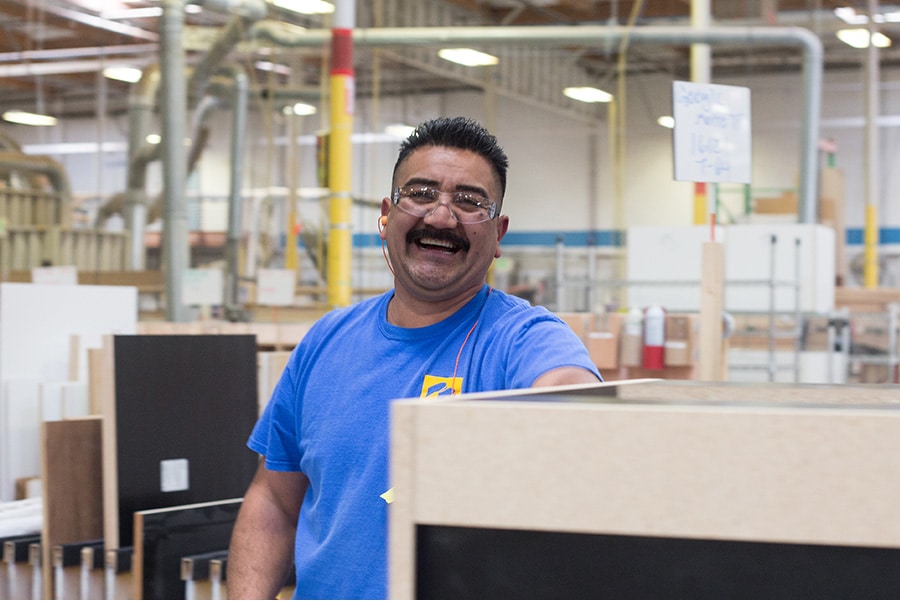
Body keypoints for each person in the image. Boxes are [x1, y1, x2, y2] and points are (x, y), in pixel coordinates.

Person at [227, 116, 602, 600]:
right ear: (386, 215)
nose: (442, 217)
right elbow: (275, 500)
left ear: (499, 233)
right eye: (421, 193)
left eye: (469, 201)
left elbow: (572, 395)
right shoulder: (326, 341)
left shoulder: (521, 338)